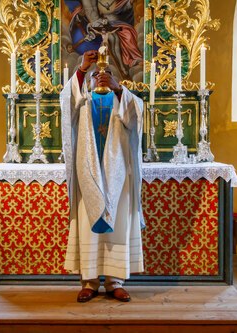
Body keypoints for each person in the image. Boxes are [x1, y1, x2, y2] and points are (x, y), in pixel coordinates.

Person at [60, 50, 145, 303]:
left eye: (107, 74)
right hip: (88, 172)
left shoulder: (123, 97)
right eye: (97, 74)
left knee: (117, 224)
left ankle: (115, 281)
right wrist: (82, 69)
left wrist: (119, 90)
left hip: (118, 173)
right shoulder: (82, 98)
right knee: (89, 226)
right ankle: (88, 281)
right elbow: (66, 102)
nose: (102, 77)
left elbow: (136, 117)